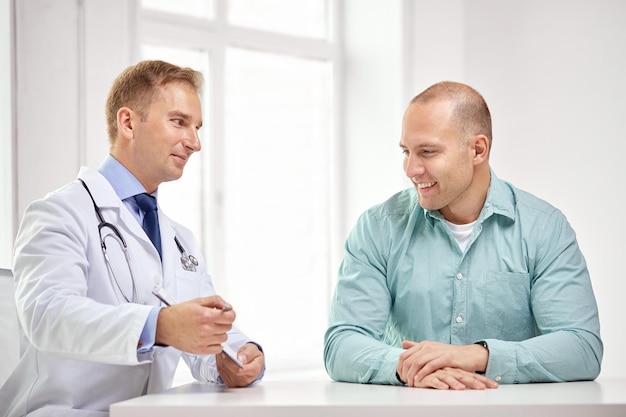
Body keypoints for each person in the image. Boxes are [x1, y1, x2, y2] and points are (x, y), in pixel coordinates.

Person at [0, 60, 265, 417]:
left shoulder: (179, 240)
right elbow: (47, 315)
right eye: (179, 122)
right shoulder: (60, 212)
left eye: (197, 127)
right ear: (128, 123)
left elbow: (198, 328)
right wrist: (159, 326)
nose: (195, 142)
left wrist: (238, 356)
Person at [323, 81, 602, 390]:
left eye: (427, 152)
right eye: (406, 151)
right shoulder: (378, 228)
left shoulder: (544, 228)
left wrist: (477, 355)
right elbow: (342, 344)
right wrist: (409, 367)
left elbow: (582, 348)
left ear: (477, 150)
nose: (411, 169)